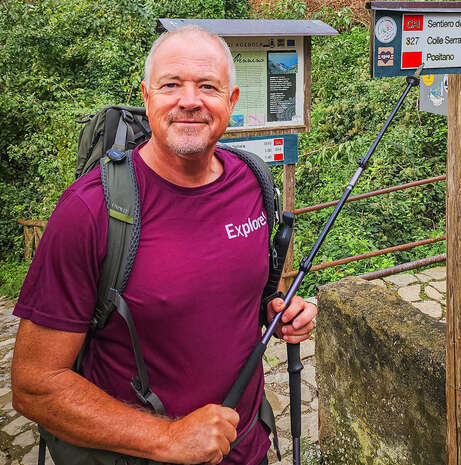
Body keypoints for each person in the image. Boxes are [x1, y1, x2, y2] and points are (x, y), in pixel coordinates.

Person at [11, 26, 317, 465]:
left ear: (230, 101)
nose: (189, 100)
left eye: (207, 86)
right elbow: (35, 384)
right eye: (171, 84)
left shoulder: (253, 181)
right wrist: (167, 438)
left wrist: (277, 307)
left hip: (248, 447)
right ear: (147, 95)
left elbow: (236, 293)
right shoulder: (90, 210)